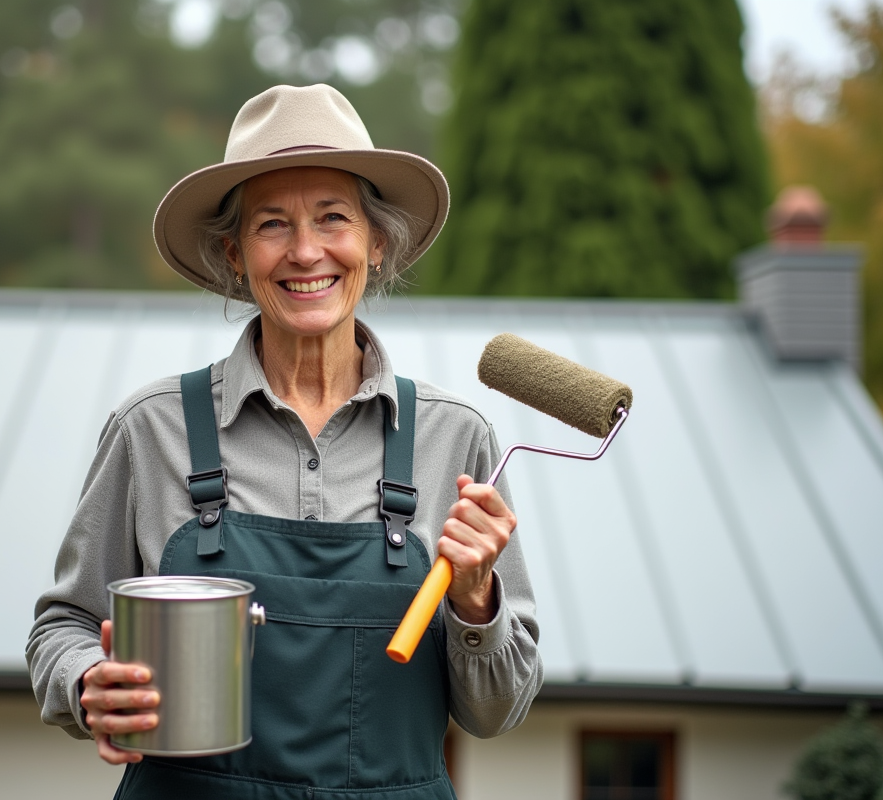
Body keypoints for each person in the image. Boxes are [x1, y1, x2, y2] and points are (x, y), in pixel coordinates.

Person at [27, 83, 543, 798]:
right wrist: (88, 681)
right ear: (235, 255)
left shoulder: (454, 441)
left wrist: (477, 597)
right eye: (273, 225)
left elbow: (495, 712)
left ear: (376, 242)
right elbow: (64, 624)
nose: (306, 252)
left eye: (333, 218)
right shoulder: (151, 429)